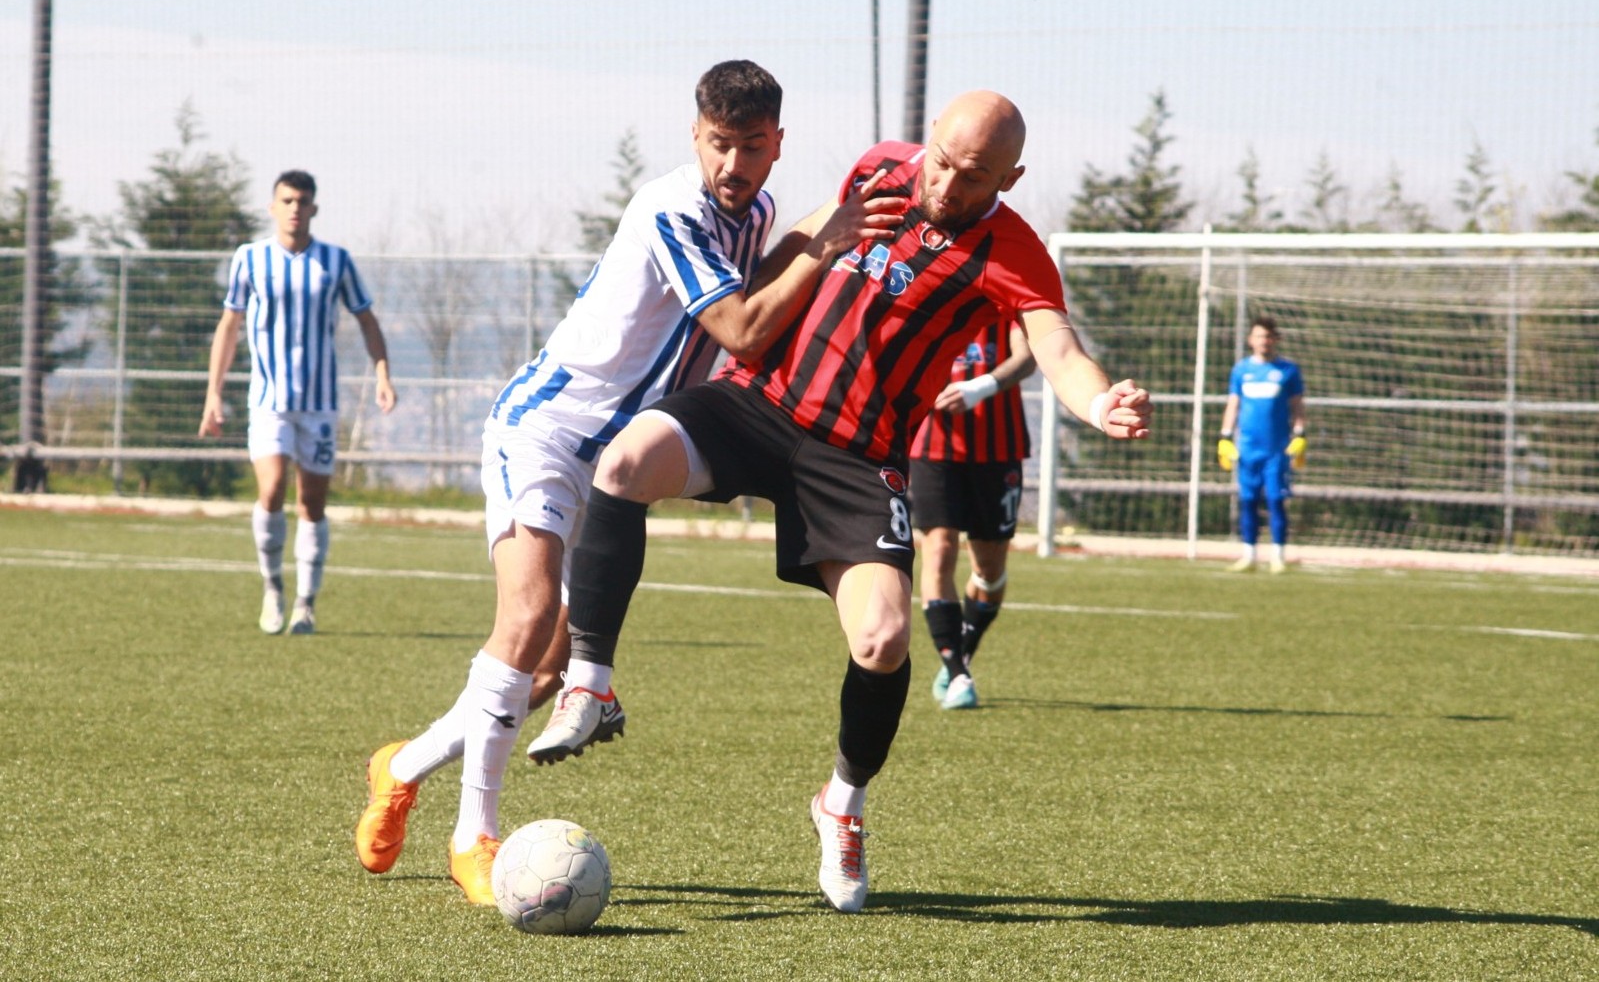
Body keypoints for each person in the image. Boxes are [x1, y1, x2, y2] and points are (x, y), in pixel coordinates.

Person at [525, 90, 1153, 914]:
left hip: (858, 460)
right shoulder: (881, 168)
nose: (945, 186)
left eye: (972, 178)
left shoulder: (1015, 251)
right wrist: (791, 265)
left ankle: (841, 805)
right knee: (627, 459)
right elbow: (801, 236)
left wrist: (1099, 400)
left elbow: (1056, 347)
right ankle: (592, 681)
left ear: (1011, 176)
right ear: (924, 145)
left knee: (883, 637)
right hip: (760, 403)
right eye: (941, 163)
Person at [352, 60, 902, 905]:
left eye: (750, 147)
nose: (732, 163)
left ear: (774, 146)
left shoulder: (751, 211)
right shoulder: (669, 208)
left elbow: (772, 267)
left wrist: (832, 219)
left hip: (617, 460)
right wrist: (826, 243)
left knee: (539, 675)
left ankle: (404, 766)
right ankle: (476, 835)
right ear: (695, 136)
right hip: (547, 429)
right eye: (719, 144)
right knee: (529, 617)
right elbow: (743, 329)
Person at [200, 170, 396, 636]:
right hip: (268, 401)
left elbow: (366, 319)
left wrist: (382, 374)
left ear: (313, 209)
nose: (294, 208)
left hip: (320, 405)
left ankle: (305, 603)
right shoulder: (250, 259)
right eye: (286, 200)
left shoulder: (335, 260)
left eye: (302, 201)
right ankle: (272, 589)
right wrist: (214, 391)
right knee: (271, 491)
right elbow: (230, 325)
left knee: (311, 504)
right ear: (272, 207)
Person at [911, 319, 1035, 711]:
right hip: (931, 448)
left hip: (999, 450)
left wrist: (979, 387)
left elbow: (1028, 357)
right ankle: (956, 669)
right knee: (940, 550)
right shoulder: (923, 285)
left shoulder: (1006, 297)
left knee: (989, 570)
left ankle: (961, 655)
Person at [1217, 315, 1306, 574]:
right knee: (1248, 500)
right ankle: (1249, 554)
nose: (1263, 341)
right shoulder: (1242, 370)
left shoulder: (1288, 370)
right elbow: (1233, 404)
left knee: (1277, 499)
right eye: (1258, 336)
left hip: (1277, 449)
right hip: (1247, 448)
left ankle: (1278, 555)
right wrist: (1224, 436)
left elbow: (1298, 405)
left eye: (1268, 336)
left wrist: (1301, 434)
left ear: (1275, 339)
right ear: (1250, 340)